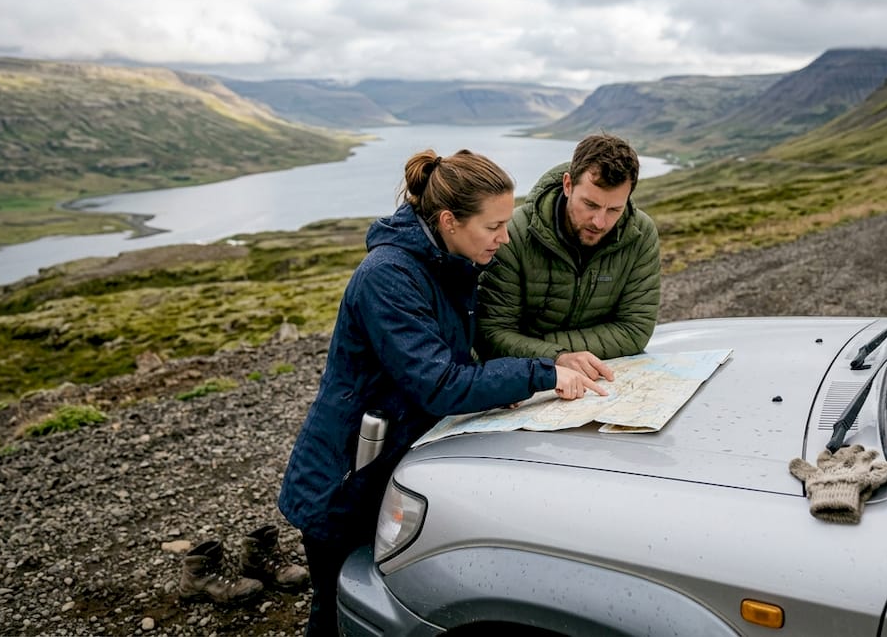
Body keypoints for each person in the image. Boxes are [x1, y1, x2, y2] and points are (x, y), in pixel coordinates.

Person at [278, 148, 606, 637]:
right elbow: (439, 384)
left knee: (385, 602)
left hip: (385, 463)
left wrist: (507, 382)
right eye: (493, 226)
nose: (505, 236)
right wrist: (540, 374)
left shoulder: (450, 261)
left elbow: (451, 358)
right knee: (339, 611)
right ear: (450, 220)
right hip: (344, 481)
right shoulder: (388, 276)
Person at [477, 132, 661, 381]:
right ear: (568, 185)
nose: (599, 222)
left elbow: (634, 330)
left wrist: (541, 347)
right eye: (591, 205)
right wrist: (558, 357)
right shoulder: (513, 235)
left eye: (614, 209)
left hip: (601, 380)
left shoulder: (641, 235)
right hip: (523, 381)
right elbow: (491, 334)